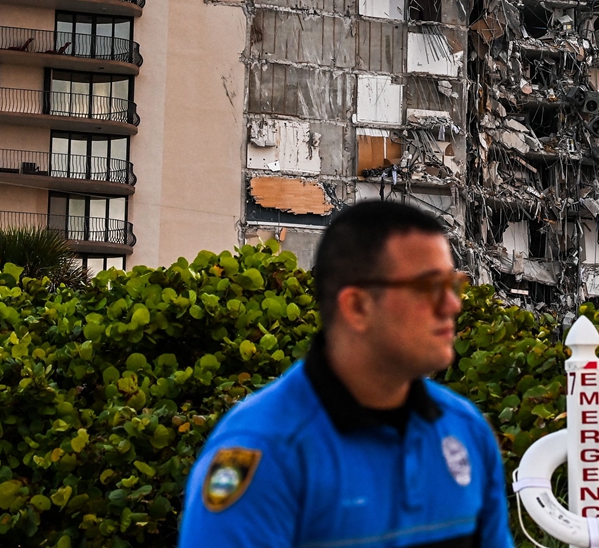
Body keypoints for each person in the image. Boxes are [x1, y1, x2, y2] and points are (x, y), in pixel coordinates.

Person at [178, 201, 512, 548]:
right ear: (356, 306)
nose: (453, 305)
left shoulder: (466, 429)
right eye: (429, 287)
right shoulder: (267, 451)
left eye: (453, 284)